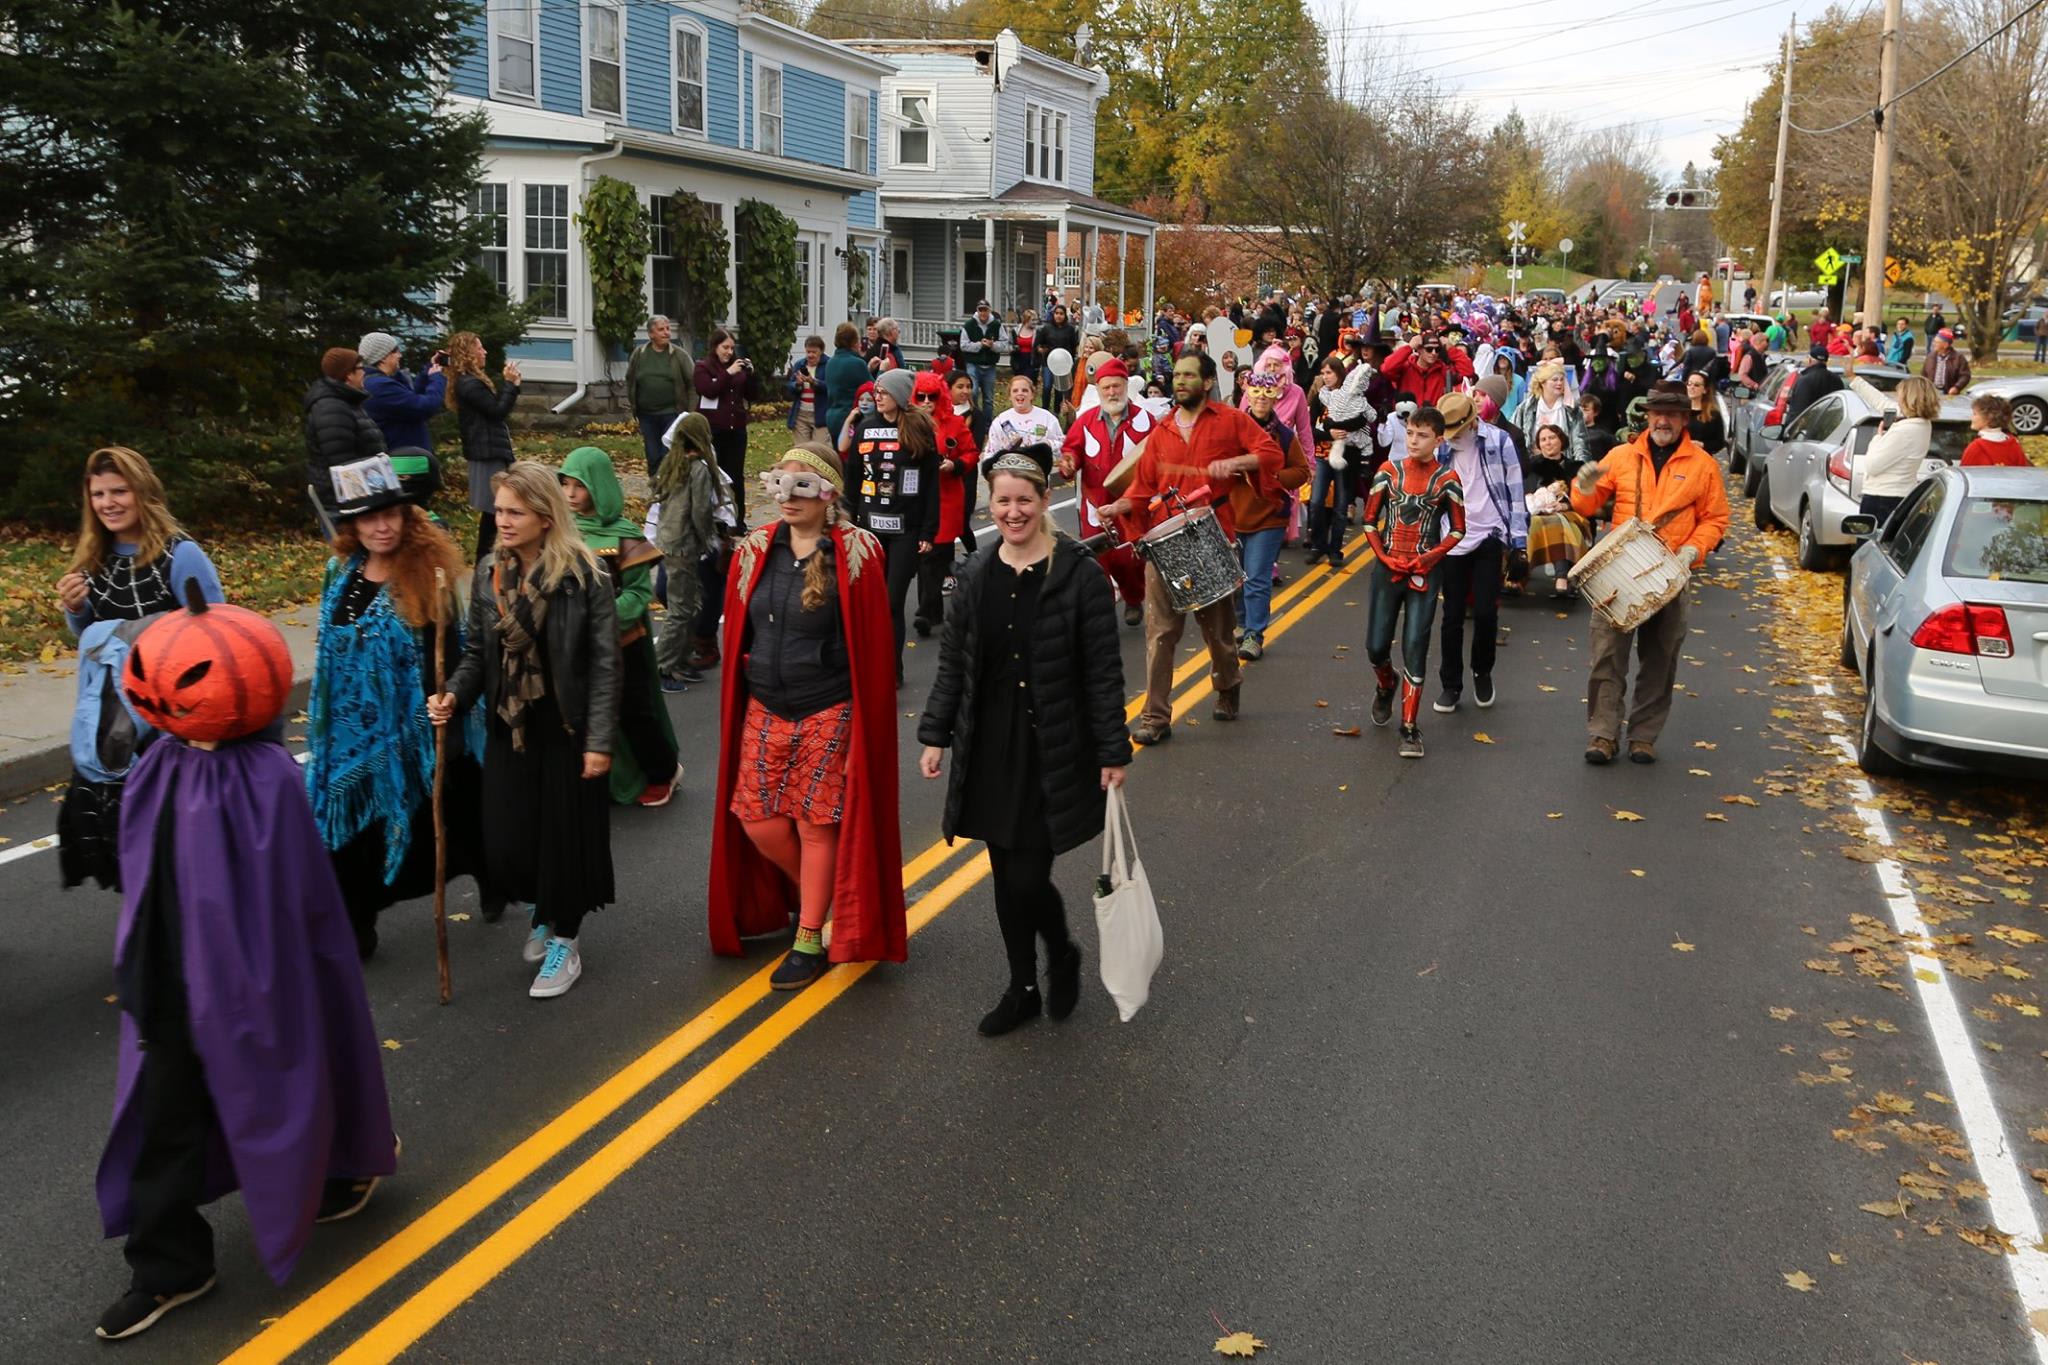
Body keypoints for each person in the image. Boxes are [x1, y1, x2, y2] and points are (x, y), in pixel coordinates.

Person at [93, 596, 395, 1342]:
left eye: (187, 678)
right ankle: (169, 1264)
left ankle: (343, 1164)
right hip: (166, 982)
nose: (163, 692)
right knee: (162, 1116)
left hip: (249, 982)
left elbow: (294, 903)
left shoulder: (265, 779)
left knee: (291, 1076)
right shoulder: (157, 762)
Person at [918, 448, 1131, 1035]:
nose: (1013, 512)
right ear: (991, 505)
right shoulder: (976, 573)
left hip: (1052, 744)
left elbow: (1103, 670)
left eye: (1024, 500)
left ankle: (1061, 950)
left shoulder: (1079, 575)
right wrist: (935, 734)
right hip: (988, 745)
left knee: (1025, 877)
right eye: (1002, 501)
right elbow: (954, 664)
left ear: (1043, 502)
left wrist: (1113, 749)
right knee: (1004, 874)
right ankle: (1023, 987)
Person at [707, 446, 907, 989]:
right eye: (780, 483)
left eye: (803, 485)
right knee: (757, 820)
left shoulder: (857, 551)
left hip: (829, 706)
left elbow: (870, 643)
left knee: (814, 825)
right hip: (765, 704)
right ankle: (831, 896)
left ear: (828, 494)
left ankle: (809, 934)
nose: (787, 496)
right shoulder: (753, 550)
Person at [429, 462, 620, 999]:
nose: (503, 522)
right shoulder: (492, 572)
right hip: (509, 725)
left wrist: (600, 742)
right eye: (500, 512)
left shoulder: (586, 576)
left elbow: (605, 665)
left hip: (566, 726)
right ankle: (544, 905)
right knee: (509, 842)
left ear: (544, 516)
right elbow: (474, 654)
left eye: (515, 512)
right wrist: (454, 695)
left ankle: (565, 938)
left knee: (563, 841)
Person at [306, 454, 493, 959]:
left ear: (408, 516)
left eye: (391, 513)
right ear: (352, 523)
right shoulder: (338, 573)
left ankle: (490, 877)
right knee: (347, 837)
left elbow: (454, 657)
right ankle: (355, 925)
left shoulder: (426, 577)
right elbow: (329, 655)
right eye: (369, 516)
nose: (382, 526)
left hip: (410, 734)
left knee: (457, 826)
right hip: (345, 737)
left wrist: (447, 710)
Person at [56, 447, 224, 891]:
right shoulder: (94, 554)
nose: (108, 502)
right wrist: (76, 608)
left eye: (119, 491)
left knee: (175, 841)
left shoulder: (180, 555)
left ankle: (179, 933)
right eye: (98, 493)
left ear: (143, 492)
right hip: (117, 720)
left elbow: (220, 631)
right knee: (129, 843)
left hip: (173, 722)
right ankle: (154, 932)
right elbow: (93, 639)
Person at [1098, 352, 1283, 744]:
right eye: (1176, 375)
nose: (1179, 381)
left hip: (1209, 536)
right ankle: (1156, 717)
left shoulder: (1231, 420)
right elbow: (1142, 488)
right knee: (1160, 631)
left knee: (1218, 633)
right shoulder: (1162, 430)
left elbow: (1271, 454)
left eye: (1188, 375)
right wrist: (1121, 505)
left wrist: (1238, 462)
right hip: (1165, 540)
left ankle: (1229, 683)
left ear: (1208, 381)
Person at [1569, 383, 1730, 765]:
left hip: (1670, 575)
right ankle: (1602, 734)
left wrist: (1694, 550)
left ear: (1683, 419)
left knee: (1660, 660)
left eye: (1672, 414)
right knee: (1606, 656)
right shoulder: (1622, 456)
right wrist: (1584, 485)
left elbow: (1716, 518)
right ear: (1648, 416)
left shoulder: (1703, 466)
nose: (1663, 421)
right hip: (1618, 575)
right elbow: (1586, 505)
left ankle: (1643, 736)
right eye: (1657, 413)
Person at [558, 447, 681, 808]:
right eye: (565, 485)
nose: (569, 495)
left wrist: (594, 620)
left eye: (578, 486)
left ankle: (663, 773)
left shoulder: (625, 536)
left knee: (635, 712)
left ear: (599, 486)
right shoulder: (562, 532)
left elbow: (638, 595)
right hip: (576, 645)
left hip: (624, 642)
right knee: (588, 716)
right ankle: (612, 780)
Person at [1362, 407, 1464, 759]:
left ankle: (1409, 728)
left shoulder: (1447, 479)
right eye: (1410, 433)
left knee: (1415, 646)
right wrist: (1383, 556)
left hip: (1424, 572)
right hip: (1387, 569)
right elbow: (1369, 521)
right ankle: (1386, 683)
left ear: (1439, 440)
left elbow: (1459, 529)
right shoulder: (1388, 471)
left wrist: (1430, 557)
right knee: (1375, 646)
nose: (1413, 440)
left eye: (1422, 435)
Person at [1431, 393, 1527, 714]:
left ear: (1472, 421)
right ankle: (1451, 685)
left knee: (1486, 613)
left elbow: (1515, 492)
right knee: (1452, 617)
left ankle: (1482, 671)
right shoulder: (1441, 446)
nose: (1452, 437)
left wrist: (1518, 544)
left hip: (1490, 533)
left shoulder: (1499, 441)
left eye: (1456, 430)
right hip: (1452, 538)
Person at [842, 366, 940, 676]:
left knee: (892, 602)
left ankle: (891, 668)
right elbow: (853, 478)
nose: (877, 397)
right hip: (869, 527)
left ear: (898, 396)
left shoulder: (919, 430)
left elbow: (930, 485)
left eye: (883, 393)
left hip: (906, 530)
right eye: (876, 392)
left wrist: (928, 530)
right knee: (870, 604)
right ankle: (870, 665)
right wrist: (848, 521)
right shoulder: (866, 428)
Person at [1057, 359, 1150, 623]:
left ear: (1125, 387)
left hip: (1130, 505)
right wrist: (1068, 462)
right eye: (1106, 387)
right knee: (1098, 562)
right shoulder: (1086, 421)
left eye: (1117, 386)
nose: (1112, 392)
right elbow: (1071, 450)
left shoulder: (1145, 420)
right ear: (1098, 390)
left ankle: (1134, 598)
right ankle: (1104, 606)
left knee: (1128, 560)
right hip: (1094, 505)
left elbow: (1157, 457)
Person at [651, 412, 738, 690]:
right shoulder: (699, 468)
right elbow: (700, 510)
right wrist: (707, 539)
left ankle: (681, 659)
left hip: (669, 541)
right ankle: (663, 667)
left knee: (692, 604)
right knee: (680, 609)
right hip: (685, 545)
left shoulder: (671, 464)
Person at [1234, 369, 1312, 661]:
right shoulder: (1234, 431)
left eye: (1268, 394)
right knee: (1235, 578)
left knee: (1257, 577)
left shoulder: (1283, 435)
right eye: (1255, 393)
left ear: (1276, 397)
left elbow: (1301, 471)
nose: (1261, 400)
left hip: (1269, 517)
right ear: (1247, 394)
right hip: (1234, 514)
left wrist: (1273, 477)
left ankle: (1254, 633)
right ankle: (1241, 624)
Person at [914, 370, 980, 637]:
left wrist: (955, 465)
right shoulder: (906, 423)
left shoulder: (954, 423)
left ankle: (927, 613)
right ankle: (930, 611)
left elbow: (972, 452)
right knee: (924, 558)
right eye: (921, 396)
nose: (927, 401)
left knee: (935, 556)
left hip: (946, 498)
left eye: (932, 396)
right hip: (916, 499)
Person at [446, 330, 522, 559]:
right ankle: (485, 563)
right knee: (494, 511)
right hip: (487, 453)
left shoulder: (467, 381)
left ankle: (491, 560)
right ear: (468, 353)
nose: (484, 351)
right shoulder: (470, 384)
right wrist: (511, 385)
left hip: (488, 450)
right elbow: (497, 411)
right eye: (479, 347)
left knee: (494, 512)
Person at [305, 347, 386, 521]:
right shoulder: (332, 408)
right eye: (360, 368)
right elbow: (343, 463)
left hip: (361, 498)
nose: (364, 373)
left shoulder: (347, 402)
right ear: (348, 374)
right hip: (345, 504)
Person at [1857, 376, 1941, 524]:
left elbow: (1872, 466)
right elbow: (1884, 404)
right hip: (1901, 495)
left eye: (1901, 397)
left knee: (1871, 545)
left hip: (1882, 498)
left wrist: (1878, 437)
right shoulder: (1923, 425)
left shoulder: (1903, 431)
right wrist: (1856, 381)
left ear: (1910, 399)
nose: (1898, 401)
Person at [1522, 424, 1589, 598]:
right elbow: (1526, 494)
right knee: (1533, 523)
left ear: (1562, 441)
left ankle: (1562, 578)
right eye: (1543, 439)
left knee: (1561, 522)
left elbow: (1585, 497)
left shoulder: (1575, 467)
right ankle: (1518, 576)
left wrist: (1565, 506)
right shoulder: (1531, 467)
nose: (1548, 442)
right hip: (1537, 512)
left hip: (1568, 512)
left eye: (1552, 438)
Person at [357, 331, 447, 454]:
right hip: (405, 462)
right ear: (383, 357)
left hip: (404, 455)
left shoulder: (380, 382)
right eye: (396, 351)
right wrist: (437, 378)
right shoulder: (381, 386)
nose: (400, 355)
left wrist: (428, 370)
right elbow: (424, 407)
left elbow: (410, 397)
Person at [696, 328, 753, 497]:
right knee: (714, 474)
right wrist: (728, 373)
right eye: (725, 347)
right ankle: (716, 520)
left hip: (736, 429)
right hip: (713, 429)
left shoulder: (738, 367)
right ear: (715, 347)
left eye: (732, 348)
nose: (729, 352)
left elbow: (752, 395)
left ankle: (738, 520)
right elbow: (708, 390)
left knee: (735, 475)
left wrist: (750, 375)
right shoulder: (703, 367)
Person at [1516, 360, 1584, 463]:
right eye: (1555, 380)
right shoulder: (1525, 408)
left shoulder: (1572, 409)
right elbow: (1516, 436)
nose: (1559, 383)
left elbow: (1580, 442)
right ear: (1543, 383)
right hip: (1535, 466)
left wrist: (1580, 468)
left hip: (1565, 464)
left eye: (1562, 380)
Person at [1381, 332, 1474, 405]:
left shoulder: (1443, 370)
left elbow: (1468, 372)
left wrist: (1451, 349)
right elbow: (1386, 369)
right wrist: (1409, 347)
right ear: (1419, 349)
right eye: (1429, 349)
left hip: (1433, 422)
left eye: (1437, 350)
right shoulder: (1406, 367)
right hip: (1407, 420)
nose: (1433, 353)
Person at [962, 298, 1005, 416]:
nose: (983, 313)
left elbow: (1004, 344)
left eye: (985, 310)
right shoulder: (969, 325)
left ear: (989, 311)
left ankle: (987, 426)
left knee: (988, 398)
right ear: (977, 311)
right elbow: (963, 345)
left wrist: (992, 345)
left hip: (990, 365)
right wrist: (979, 345)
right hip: (973, 364)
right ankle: (975, 419)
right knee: (973, 392)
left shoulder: (996, 325)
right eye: (980, 310)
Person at [1961, 393, 2030, 466]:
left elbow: (1963, 475)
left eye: (1975, 414)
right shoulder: (2014, 444)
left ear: (1988, 418)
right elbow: (2023, 473)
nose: (1971, 417)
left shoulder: (1976, 448)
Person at [1783, 344, 1844, 426]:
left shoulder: (1805, 380)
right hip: (1829, 427)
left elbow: (1798, 411)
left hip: (1808, 429)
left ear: (1810, 360)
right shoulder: (1837, 379)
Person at [1035, 304, 1080, 407]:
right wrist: (1041, 349)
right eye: (1056, 313)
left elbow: (1073, 346)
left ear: (1065, 315)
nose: (1058, 316)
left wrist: (1071, 362)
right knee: (1046, 387)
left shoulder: (1070, 329)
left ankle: (1056, 410)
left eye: (1061, 314)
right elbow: (1039, 344)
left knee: (1059, 389)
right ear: (1053, 314)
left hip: (1063, 364)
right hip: (1048, 362)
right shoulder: (1047, 328)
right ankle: (1045, 409)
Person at [785, 334, 826, 445]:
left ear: (821, 351)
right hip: (801, 414)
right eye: (808, 352)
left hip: (820, 414)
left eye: (814, 352)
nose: (810, 355)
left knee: (819, 449)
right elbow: (789, 387)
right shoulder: (800, 364)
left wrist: (814, 382)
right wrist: (797, 384)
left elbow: (831, 388)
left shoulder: (828, 364)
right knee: (801, 450)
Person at [1684, 371, 1726, 459]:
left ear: (1705, 390)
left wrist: (1702, 444)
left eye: (1696, 385)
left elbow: (1719, 442)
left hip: (1702, 460)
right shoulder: (1679, 410)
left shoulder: (1713, 414)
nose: (1692, 387)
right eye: (1689, 384)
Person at [1922, 328, 1972, 396]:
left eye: (1936, 342)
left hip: (1949, 394)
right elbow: (1923, 375)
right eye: (1934, 341)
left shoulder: (1958, 358)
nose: (1933, 344)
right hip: (1931, 394)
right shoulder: (1930, 357)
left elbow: (1965, 375)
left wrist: (1956, 387)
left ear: (1945, 345)